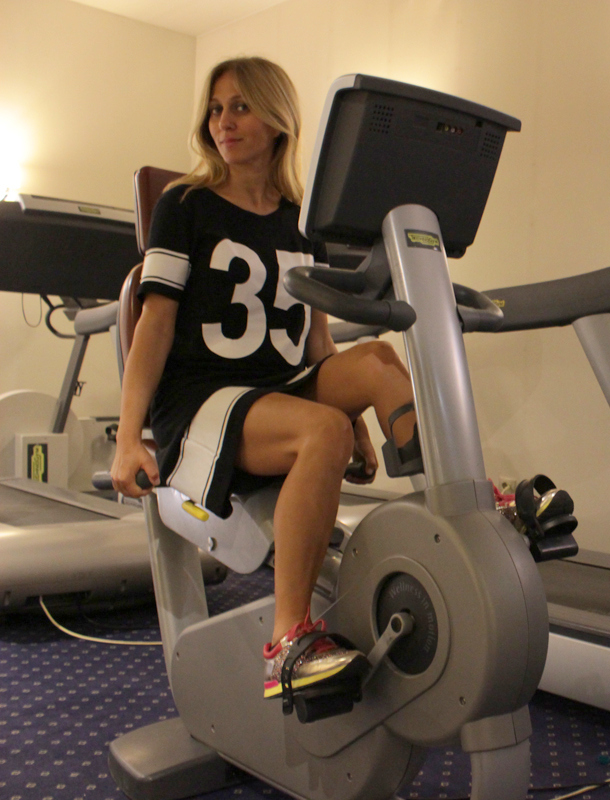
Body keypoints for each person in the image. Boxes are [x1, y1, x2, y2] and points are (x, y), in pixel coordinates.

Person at [110, 56, 421, 703]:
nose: (223, 122)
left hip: (280, 388)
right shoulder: (184, 206)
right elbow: (154, 325)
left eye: (240, 106)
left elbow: (318, 341)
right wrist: (128, 437)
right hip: (202, 403)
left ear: (277, 119)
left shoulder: (302, 221)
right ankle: (288, 646)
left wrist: (361, 423)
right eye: (215, 109)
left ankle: (461, 512)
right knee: (322, 430)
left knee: (378, 360)